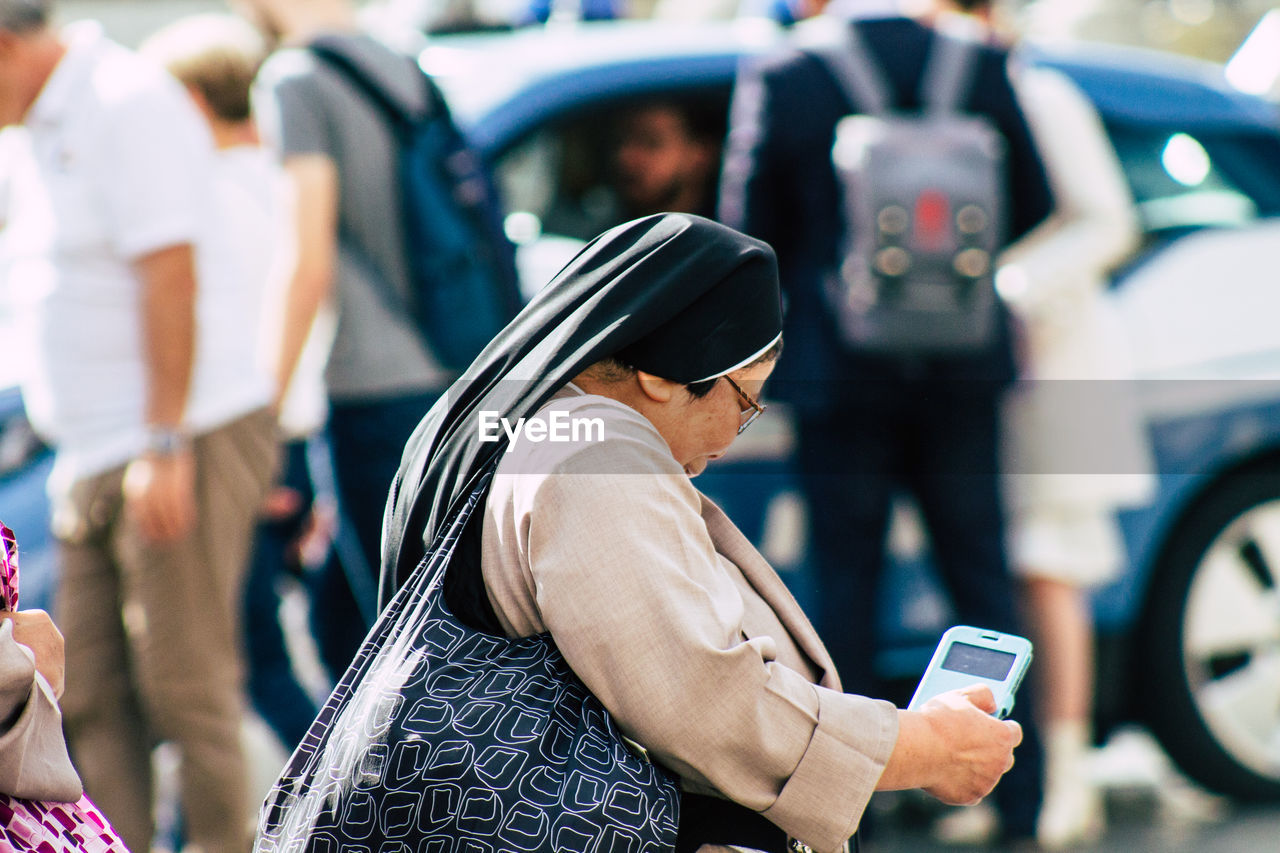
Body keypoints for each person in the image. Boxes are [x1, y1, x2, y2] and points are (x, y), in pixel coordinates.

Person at [260, 213, 1025, 852]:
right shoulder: (597, 448)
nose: (740, 427)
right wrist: (925, 746)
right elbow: (699, 696)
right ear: (664, 372)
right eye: (743, 397)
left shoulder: (492, 417)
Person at [718, 0, 1054, 843]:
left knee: (845, 588)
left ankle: (849, 814)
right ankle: (1019, 798)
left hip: (842, 379)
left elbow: (745, 233)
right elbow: (1037, 198)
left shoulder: (787, 71)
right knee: (981, 577)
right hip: (963, 369)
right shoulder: (976, 62)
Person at [0, 2, 279, 850]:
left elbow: (171, 277)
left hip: (173, 436)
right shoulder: (39, 125)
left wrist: (164, 442)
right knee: (76, 694)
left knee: (184, 690)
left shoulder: (126, 100)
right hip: (87, 447)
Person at [243, 0, 464, 678]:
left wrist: (265, 410)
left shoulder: (295, 78)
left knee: (404, 640)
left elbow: (307, 260)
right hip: (442, 367)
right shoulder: (403, 65)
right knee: (350, 621)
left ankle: (440, 783)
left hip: (367, 385)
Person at [139, 11, 330, 756]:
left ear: (190, 102)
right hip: (295, 435)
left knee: (242, 657)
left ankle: (349, 799)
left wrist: (262, 448)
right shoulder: (280, 181)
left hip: (252, 440)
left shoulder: (212, 195)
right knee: (247, 649)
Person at [611, 97, 724, 222]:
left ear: (701, 154)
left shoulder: (733, 228)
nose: (626, 158)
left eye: (650, 142)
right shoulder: (600, 228)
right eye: (620, 141)